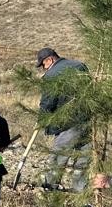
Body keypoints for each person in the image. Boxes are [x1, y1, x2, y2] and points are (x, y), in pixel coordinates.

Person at [36, 47, 91, 191]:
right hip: (87, 119)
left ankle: (50, 187)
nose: (43, 68)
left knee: (58, 155)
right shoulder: (80, 65)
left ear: (50, 59)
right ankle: (80, 190)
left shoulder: (52, 75)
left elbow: (48, 101)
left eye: (43, 65)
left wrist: (43, 118)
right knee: (83, 156)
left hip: (68, 123)